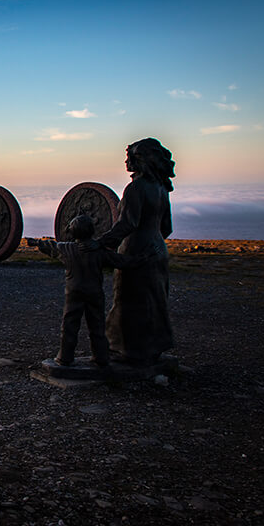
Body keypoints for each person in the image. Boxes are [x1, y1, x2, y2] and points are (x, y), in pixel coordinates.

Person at [28, 216, 149, 367]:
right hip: (94, 292)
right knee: (97, 325)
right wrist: (144, 258)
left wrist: (36, 242)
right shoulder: (99, 251)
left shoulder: (66, 248)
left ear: (73, 232)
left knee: (69, 325)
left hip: (73, 292)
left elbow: (50, 246)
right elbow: (122, 261)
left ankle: (65, 357)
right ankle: (101, 357)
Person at [99, 138, 175, 366]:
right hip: (158, 249)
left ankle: (129, 350)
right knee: (154, 301)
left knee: (128, 300)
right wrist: (154, 241)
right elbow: (167, 228)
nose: (126, 161)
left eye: (131, 156)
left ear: (141, 160)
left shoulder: (136, 189)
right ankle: (152, 348)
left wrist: (101, 243)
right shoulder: (161, 189)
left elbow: (126, 224)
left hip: (135, 249)